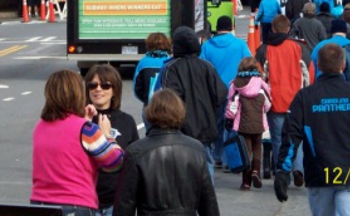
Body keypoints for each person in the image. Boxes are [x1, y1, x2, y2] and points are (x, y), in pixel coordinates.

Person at [274, 43, 350, 216]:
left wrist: (283, 170)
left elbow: (290, 135)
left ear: (318, 65)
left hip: (319, 171)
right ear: (343, 65)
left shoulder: (305, 96)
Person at [30, 69, 125, 216]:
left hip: (40, 203)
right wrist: (107, 135)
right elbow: (115, 162)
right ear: (77, 93)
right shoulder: (86, 130)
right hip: (75, 205)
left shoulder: (40, 126)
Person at [113, 89, 220, 216]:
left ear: (150, 113)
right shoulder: (196, 149)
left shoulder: (136, 151)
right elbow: (208, 202)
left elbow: (125, 204)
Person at [157, 25, 228, 180]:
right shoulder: (207, 67)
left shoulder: (170, 68)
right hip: (206, 127)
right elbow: (221, 93)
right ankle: (207, 201)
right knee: (205, 166)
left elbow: (168, 98)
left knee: (180, 171)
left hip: (180, 129)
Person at [255, 15, 314, 186]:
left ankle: (283, 173)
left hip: (275, 101)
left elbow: (260, 77)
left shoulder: (264, 49)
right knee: (298, 139)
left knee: (278, 139)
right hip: (297, 101)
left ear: (272, 29)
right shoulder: (300, 48)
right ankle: (298, 168)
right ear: (288, 29)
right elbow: (308, 74)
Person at [85, 64, 139, 216]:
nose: (98, 89)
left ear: (114, 90)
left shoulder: (127, 121)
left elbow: (134, 162)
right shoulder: (80, 120)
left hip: (116, 202)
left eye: (105, 85)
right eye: (93, 85)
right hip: (86, 202)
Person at [201, 15, 253, 167]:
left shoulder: (207, 46)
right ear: (231, 27)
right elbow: (250, 63)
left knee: (216, 124)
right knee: (232, 126)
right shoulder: (239, 45)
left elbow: (202, 67)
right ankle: (230, 159)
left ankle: (217, 155)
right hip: (235, 92)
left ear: (217, 28)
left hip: (214, 92)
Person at [225, 57, 271, 190]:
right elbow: (268, 105)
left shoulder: (235, 84)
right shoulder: (261, 84)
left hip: (243, 125)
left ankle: (246, 183)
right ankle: (256, 171)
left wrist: (229, 118)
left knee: (246, 152)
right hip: (258, 124)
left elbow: (232, 105)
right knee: (257, 148)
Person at [133, 32, 172, 131]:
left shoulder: (143, 63)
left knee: (150, 136)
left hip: (149, 107)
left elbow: (136, 88)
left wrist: (146, 99)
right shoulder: (170, 62)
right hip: (167, 108)